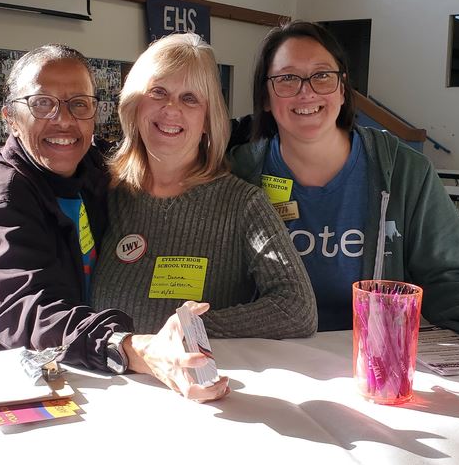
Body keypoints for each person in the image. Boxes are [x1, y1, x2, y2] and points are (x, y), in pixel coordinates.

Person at [230, 20, 459, 361]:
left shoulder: (404, 173)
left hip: (375, 368)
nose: (307, 92)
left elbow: (450, 274)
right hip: (268, 365)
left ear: (343, 88)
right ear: (264, 96)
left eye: (322, 75)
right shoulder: (237, 175)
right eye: (287, 78)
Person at [0, 44, 230, 402]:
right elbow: (27, 310)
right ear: (10, 116)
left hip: (80, 365)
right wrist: (127, 346)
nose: (63, 120)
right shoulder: (4, 199)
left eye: (79, 103)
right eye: (42, 103)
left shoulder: (94, 167)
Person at [89, 33, 318, 339]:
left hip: (200, 381)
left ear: (209, 119)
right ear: (134, 103)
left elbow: (297, 309)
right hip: (111, 379)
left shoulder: (242, 204)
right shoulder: (103, 192)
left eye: (190, 98)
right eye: (158, 91)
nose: (172, 109)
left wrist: (193, 329)